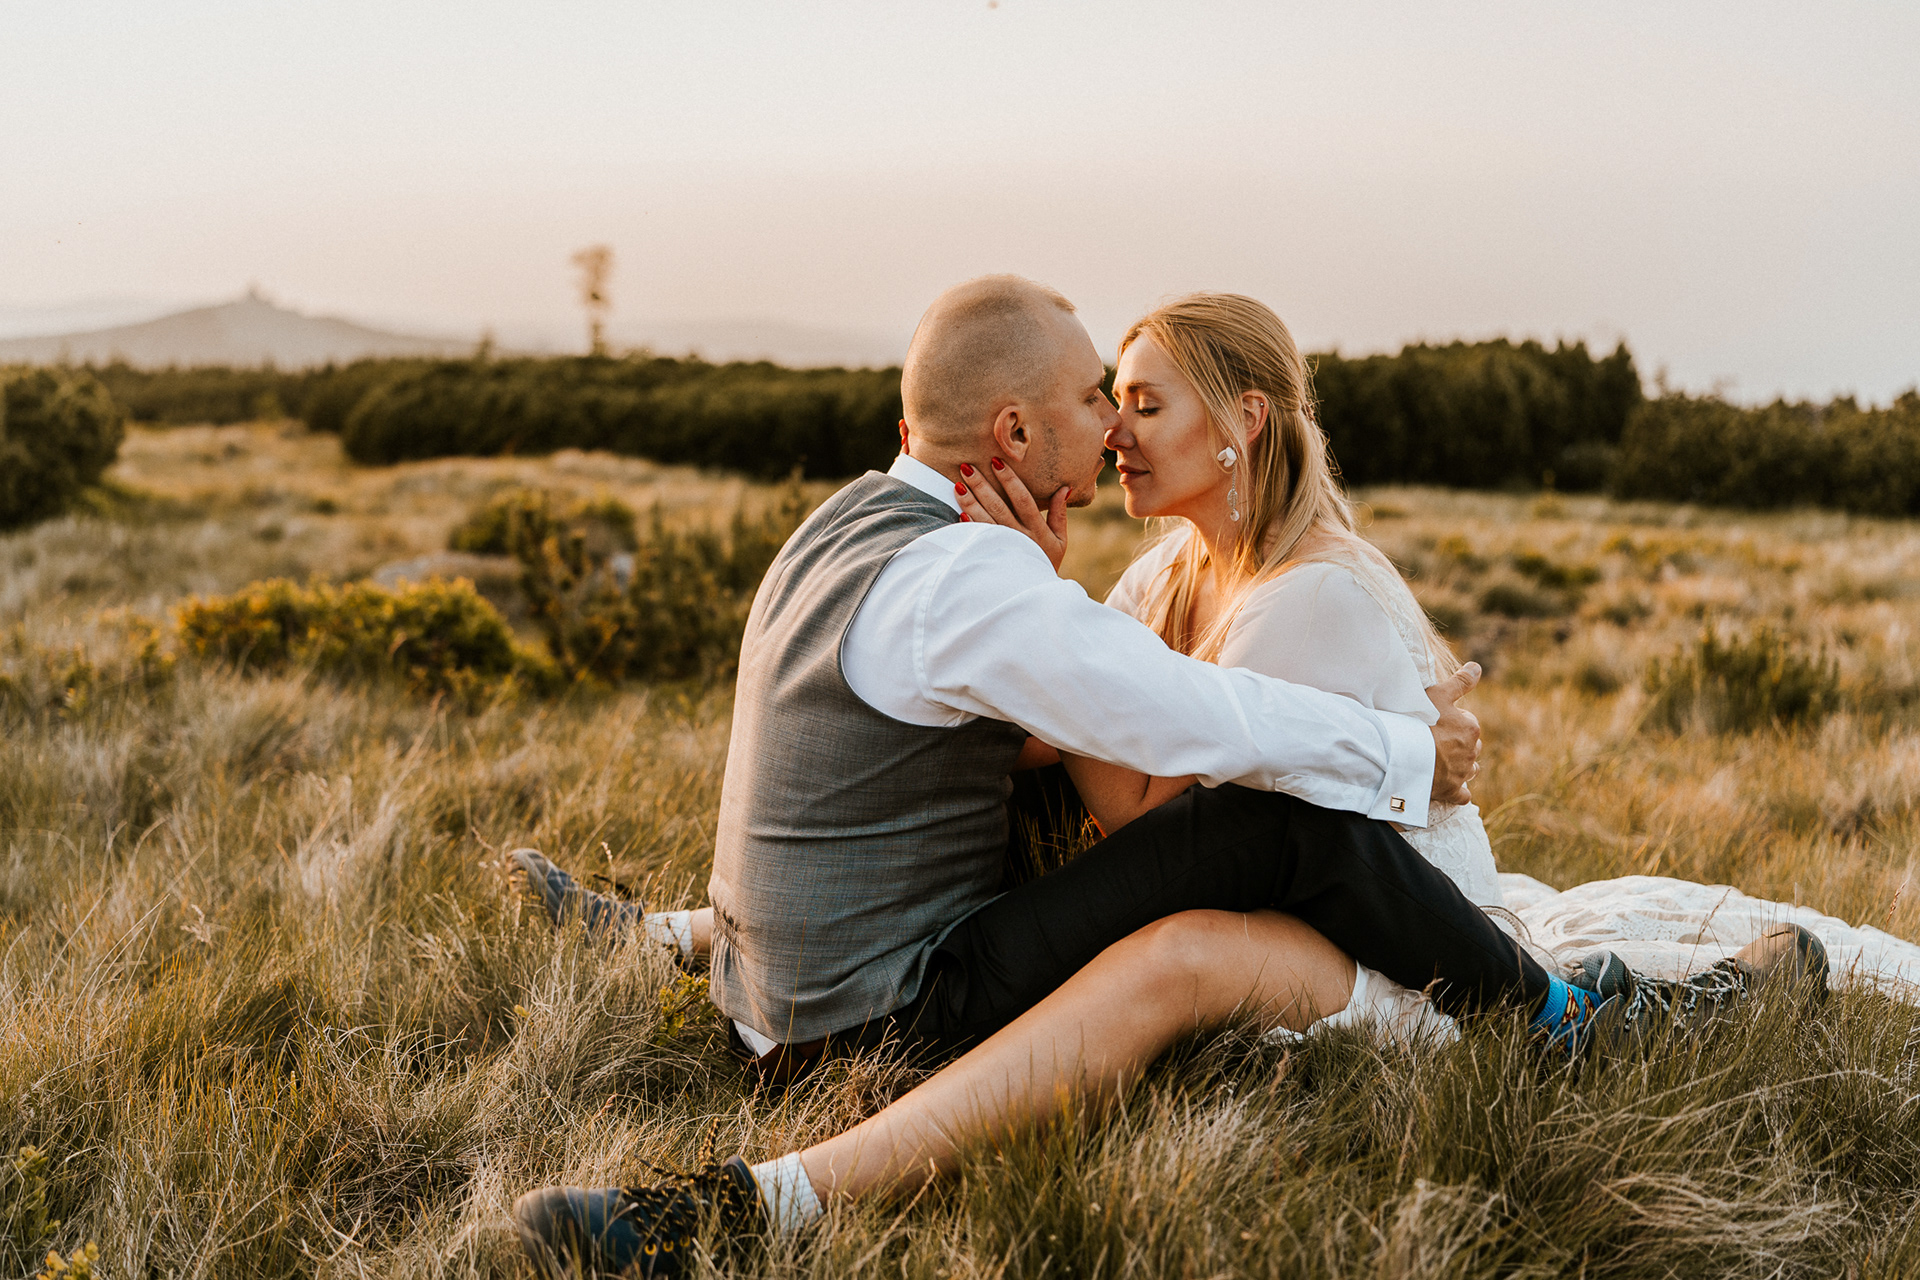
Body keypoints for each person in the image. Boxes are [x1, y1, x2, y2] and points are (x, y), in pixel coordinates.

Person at [505, 278, 1812, 1278]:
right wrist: (1414, 752)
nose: (1111, 429)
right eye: (1098, 400)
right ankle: (1574, 1025)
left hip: (790, 1003)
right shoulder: (985, 577)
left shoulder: (850, 522)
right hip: (875, 1014)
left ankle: (1566, 1018)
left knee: (1221, 824)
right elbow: (1180, 730)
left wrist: (1047, 612)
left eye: (1135, 402)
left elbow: (1079, 730)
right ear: (1014, 430)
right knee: (1266, 824)